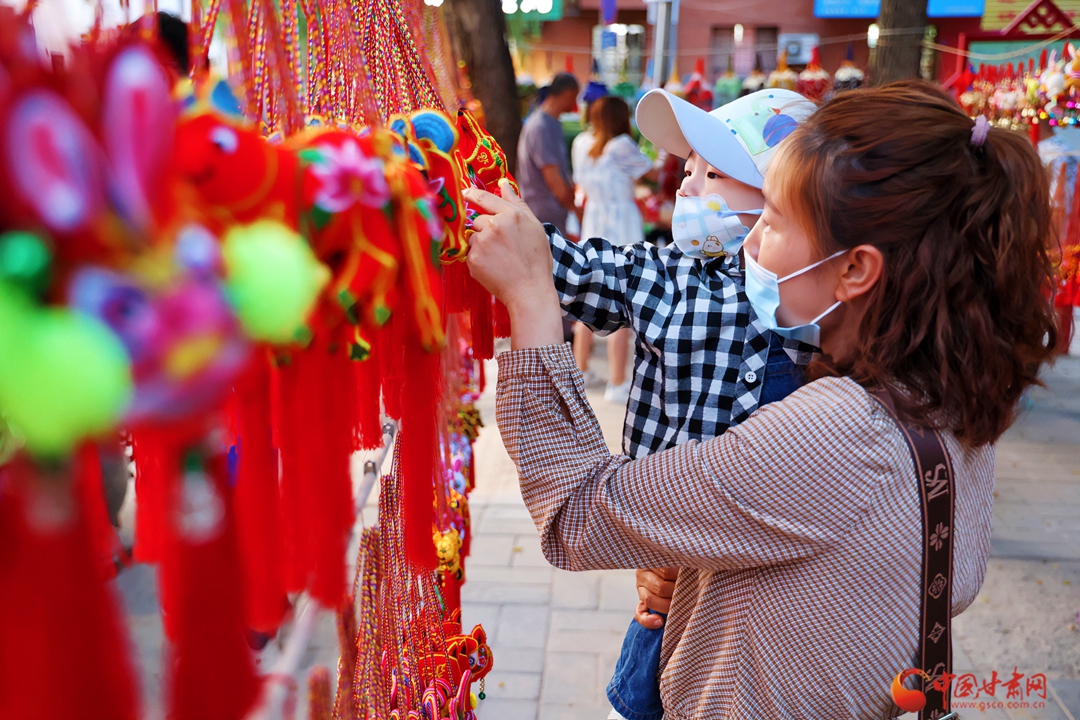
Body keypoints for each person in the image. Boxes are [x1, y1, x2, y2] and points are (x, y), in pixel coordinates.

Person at [464, 81, 1057, 718]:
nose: (747, 246)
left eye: (771, 221)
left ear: (855, 269)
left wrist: (530, 299)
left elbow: (578, 515)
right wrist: (693, 561)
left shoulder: (835, 432)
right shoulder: (950, 400)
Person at [545, 86, 816, 720]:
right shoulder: (669, 273)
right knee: (645, 691)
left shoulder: (815, 298)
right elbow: (580, 268)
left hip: (770, 581)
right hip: (674, 554)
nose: (688, 186)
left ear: (783, 199)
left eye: (713, 173)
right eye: (689, 168)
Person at [570, 96, 654, 403]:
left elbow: (579, 183)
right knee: (621, 304)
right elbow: (652, 174)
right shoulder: (621, 145)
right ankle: (618, 383)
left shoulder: (580, 143)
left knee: (588, 299)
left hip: (593, 223)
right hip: (621, 225)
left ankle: (580, 371)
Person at [516, 72, 580, 234]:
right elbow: (553, 178)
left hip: (553, 215)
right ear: (568, 93)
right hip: (543, 216)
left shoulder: (551, 123)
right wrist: (576, 210)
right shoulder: (540, 126)